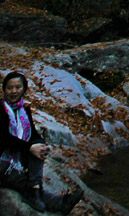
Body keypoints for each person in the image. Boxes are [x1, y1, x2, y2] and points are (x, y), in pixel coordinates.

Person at [0, 72, 81, 213]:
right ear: (4, 90)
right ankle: (59, 203)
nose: (14, 91)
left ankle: (41, 194)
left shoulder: (24, 110)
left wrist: (40, 145)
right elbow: (4, 138)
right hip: (2, 161)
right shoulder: (0, 109)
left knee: (37, 149)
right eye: (10, 88)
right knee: (24, 180)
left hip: (17, 160)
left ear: (24, 89)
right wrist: (30, 147)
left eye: (18, 87)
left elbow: (33, 134)